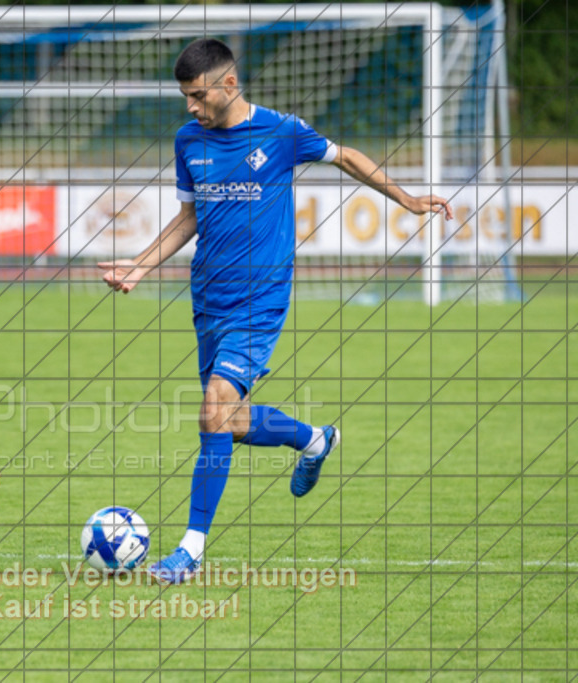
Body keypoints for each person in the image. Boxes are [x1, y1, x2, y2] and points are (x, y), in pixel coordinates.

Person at [99, 39, 452, 583]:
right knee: (229, 422)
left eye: (197, 95)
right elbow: (187, 219)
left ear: (229, 85)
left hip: (260, 299)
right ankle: (313, 439)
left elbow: (346, 156)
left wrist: (405, 199)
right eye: (185, 97)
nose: (190, 107)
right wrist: (141, 266)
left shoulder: (282, 132)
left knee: (213, 409)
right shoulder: (188, 140)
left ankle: (190, 551)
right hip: (207, 299)